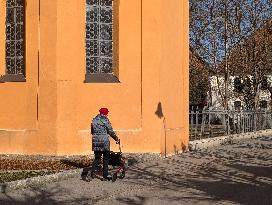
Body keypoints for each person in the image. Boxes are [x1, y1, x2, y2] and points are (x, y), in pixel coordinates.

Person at [87, 107, 119, 181]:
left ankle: (90, 172)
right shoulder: (105, 120)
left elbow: (92, 131)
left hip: (96, 141)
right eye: (107, 113)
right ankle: (105, 176)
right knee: (106, 159)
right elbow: (110, 131)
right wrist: (116, 138)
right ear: (105, 113)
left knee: (97, 159)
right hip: (104, 142)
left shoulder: (94, 120)